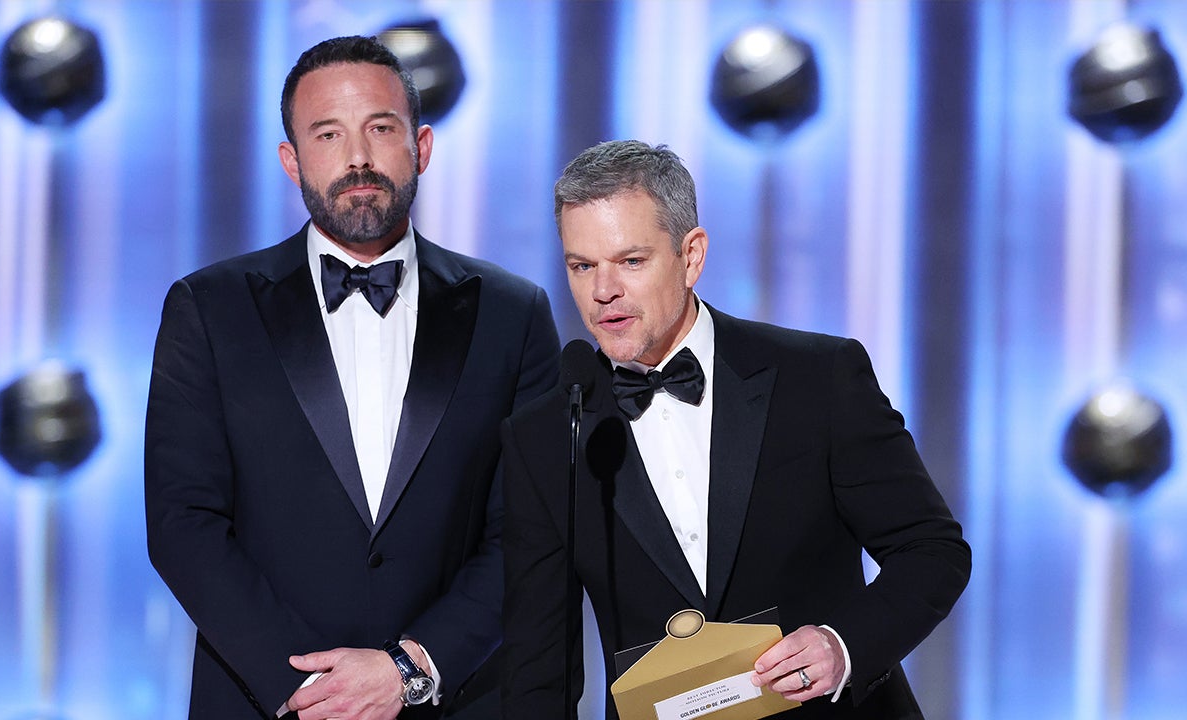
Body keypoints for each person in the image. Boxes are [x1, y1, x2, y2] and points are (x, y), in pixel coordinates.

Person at [145, 35, 560, 720]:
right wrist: (313, 689)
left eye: (381, 129)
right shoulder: (209, 308)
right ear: (292, 160)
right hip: (269, 702)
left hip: (453, 699)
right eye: (328, 134)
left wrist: (411, 668)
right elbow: (181, 523)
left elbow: (530, 529)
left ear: (421, 146)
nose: (358, 157)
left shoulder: (513, 314)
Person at [500, 140, 971, 719]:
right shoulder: (547, 435)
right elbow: (537, 667)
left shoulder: (817, 378)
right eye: (582, 266)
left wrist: (842, 646)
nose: (603, 291)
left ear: (691, 256)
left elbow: (932, 551)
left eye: (631, 261)